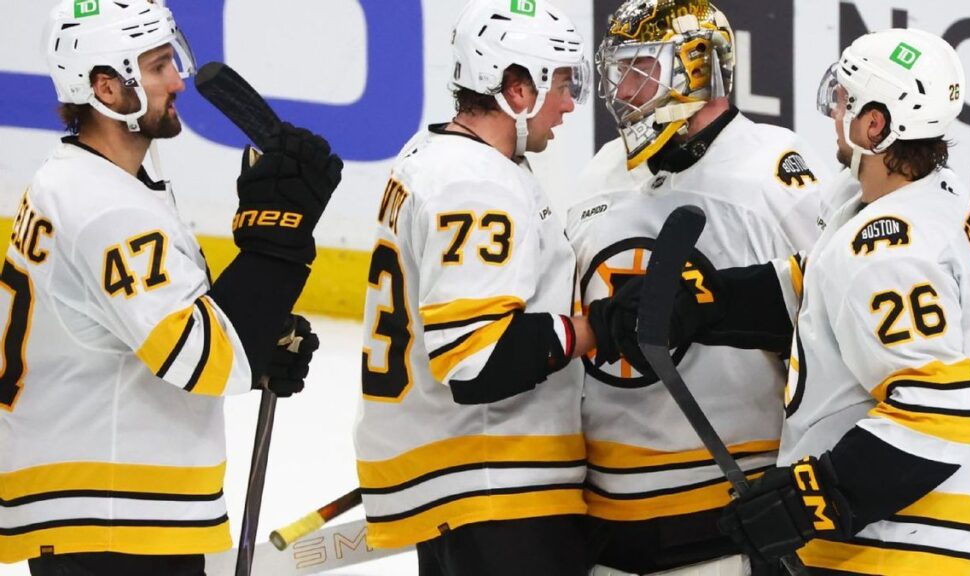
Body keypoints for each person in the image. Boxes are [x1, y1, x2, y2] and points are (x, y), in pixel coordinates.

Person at [0, 1, 341, 574]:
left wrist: (259, 338)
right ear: (107, 88)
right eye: (158, 66)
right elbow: (205, 359)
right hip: (112, 517)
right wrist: (274, 244)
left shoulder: (93, 183)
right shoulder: (106, 207)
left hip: (102, 505)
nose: (177, 81)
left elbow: (139, 330)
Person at [670, 28, 970, 575]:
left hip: (917, 548)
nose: (834, 112)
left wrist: (815, 498)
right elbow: (828, 293)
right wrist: (715, 301)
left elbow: (936, 418)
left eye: (844, 100)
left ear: (874, 125)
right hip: (960, 531)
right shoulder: (930, 195)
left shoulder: (890, 256)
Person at [566, 1, 831, 574]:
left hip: (725, 513)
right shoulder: (600, 172)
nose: (625, 90)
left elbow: (834, 320)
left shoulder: (772, 171)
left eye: (642, 69)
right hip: (604, 515)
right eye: (620, 70)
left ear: (698, 66)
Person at [352, 0, 608, 574]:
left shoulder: (433, 156)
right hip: (495, 487)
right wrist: (596, 329)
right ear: (517, 89)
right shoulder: (475, 182)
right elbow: (477, 362)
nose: (569, 103)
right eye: (561, 84)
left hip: (462, 480)